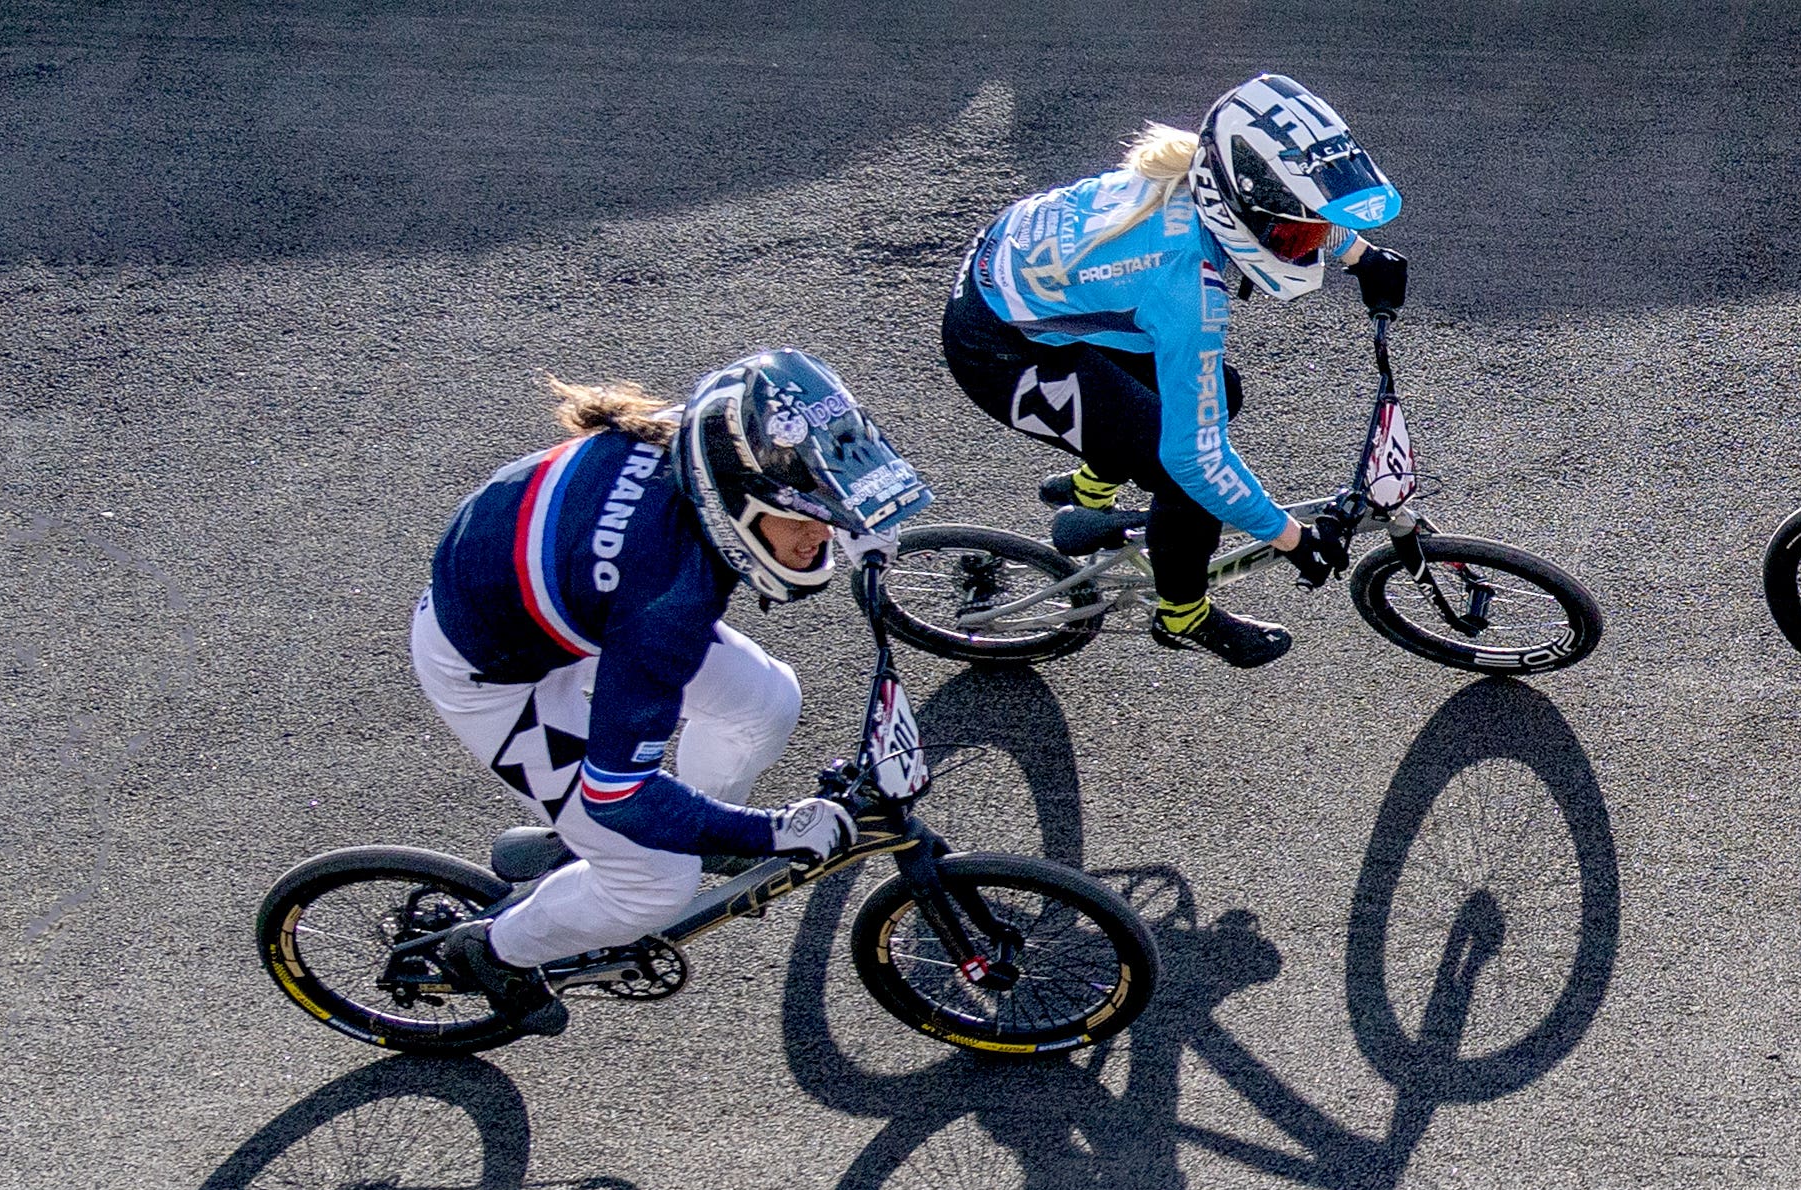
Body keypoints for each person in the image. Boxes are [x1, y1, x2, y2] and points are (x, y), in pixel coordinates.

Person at [415, 349, 933, 1035]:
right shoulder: (667, 602)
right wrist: (771, 833)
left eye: (827, 511)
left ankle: (675, 832)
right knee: (658, 883)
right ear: (739, 505)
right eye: (805, 517)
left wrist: (858, 519)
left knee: (767, 703)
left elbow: (817, 465)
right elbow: (618, 791)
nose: (821, 533)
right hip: (500, 677)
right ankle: (491, 950)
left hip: (576, 611)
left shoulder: (715, 444)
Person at [943, 72, 1410, 670]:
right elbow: (1198, 462)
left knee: (1222, 392)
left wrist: (1360, 253)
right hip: (1001, 351)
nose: (1309, 243)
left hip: (1033, 295)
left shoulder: (1203, 168)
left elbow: (1290, 204)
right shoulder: (1190, 290)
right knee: (1189, 485)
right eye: (1300, 238)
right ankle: (1182, 614)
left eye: (1314, 232)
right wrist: (1293, 538)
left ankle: (1092, 488)